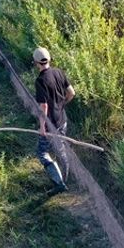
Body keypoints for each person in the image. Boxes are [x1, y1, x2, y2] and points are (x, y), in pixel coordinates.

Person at [32, 46, 75, 194]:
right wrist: (61, 105)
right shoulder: (59, 72)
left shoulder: (40, 81)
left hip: (50, 124)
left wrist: (42, 127)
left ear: (36, 63)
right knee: (61, 147)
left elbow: (43, 106)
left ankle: (59, 182)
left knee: (42, 151)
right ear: (49, 60)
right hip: (62, 120)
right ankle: (66, 176)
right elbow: (71, 93)